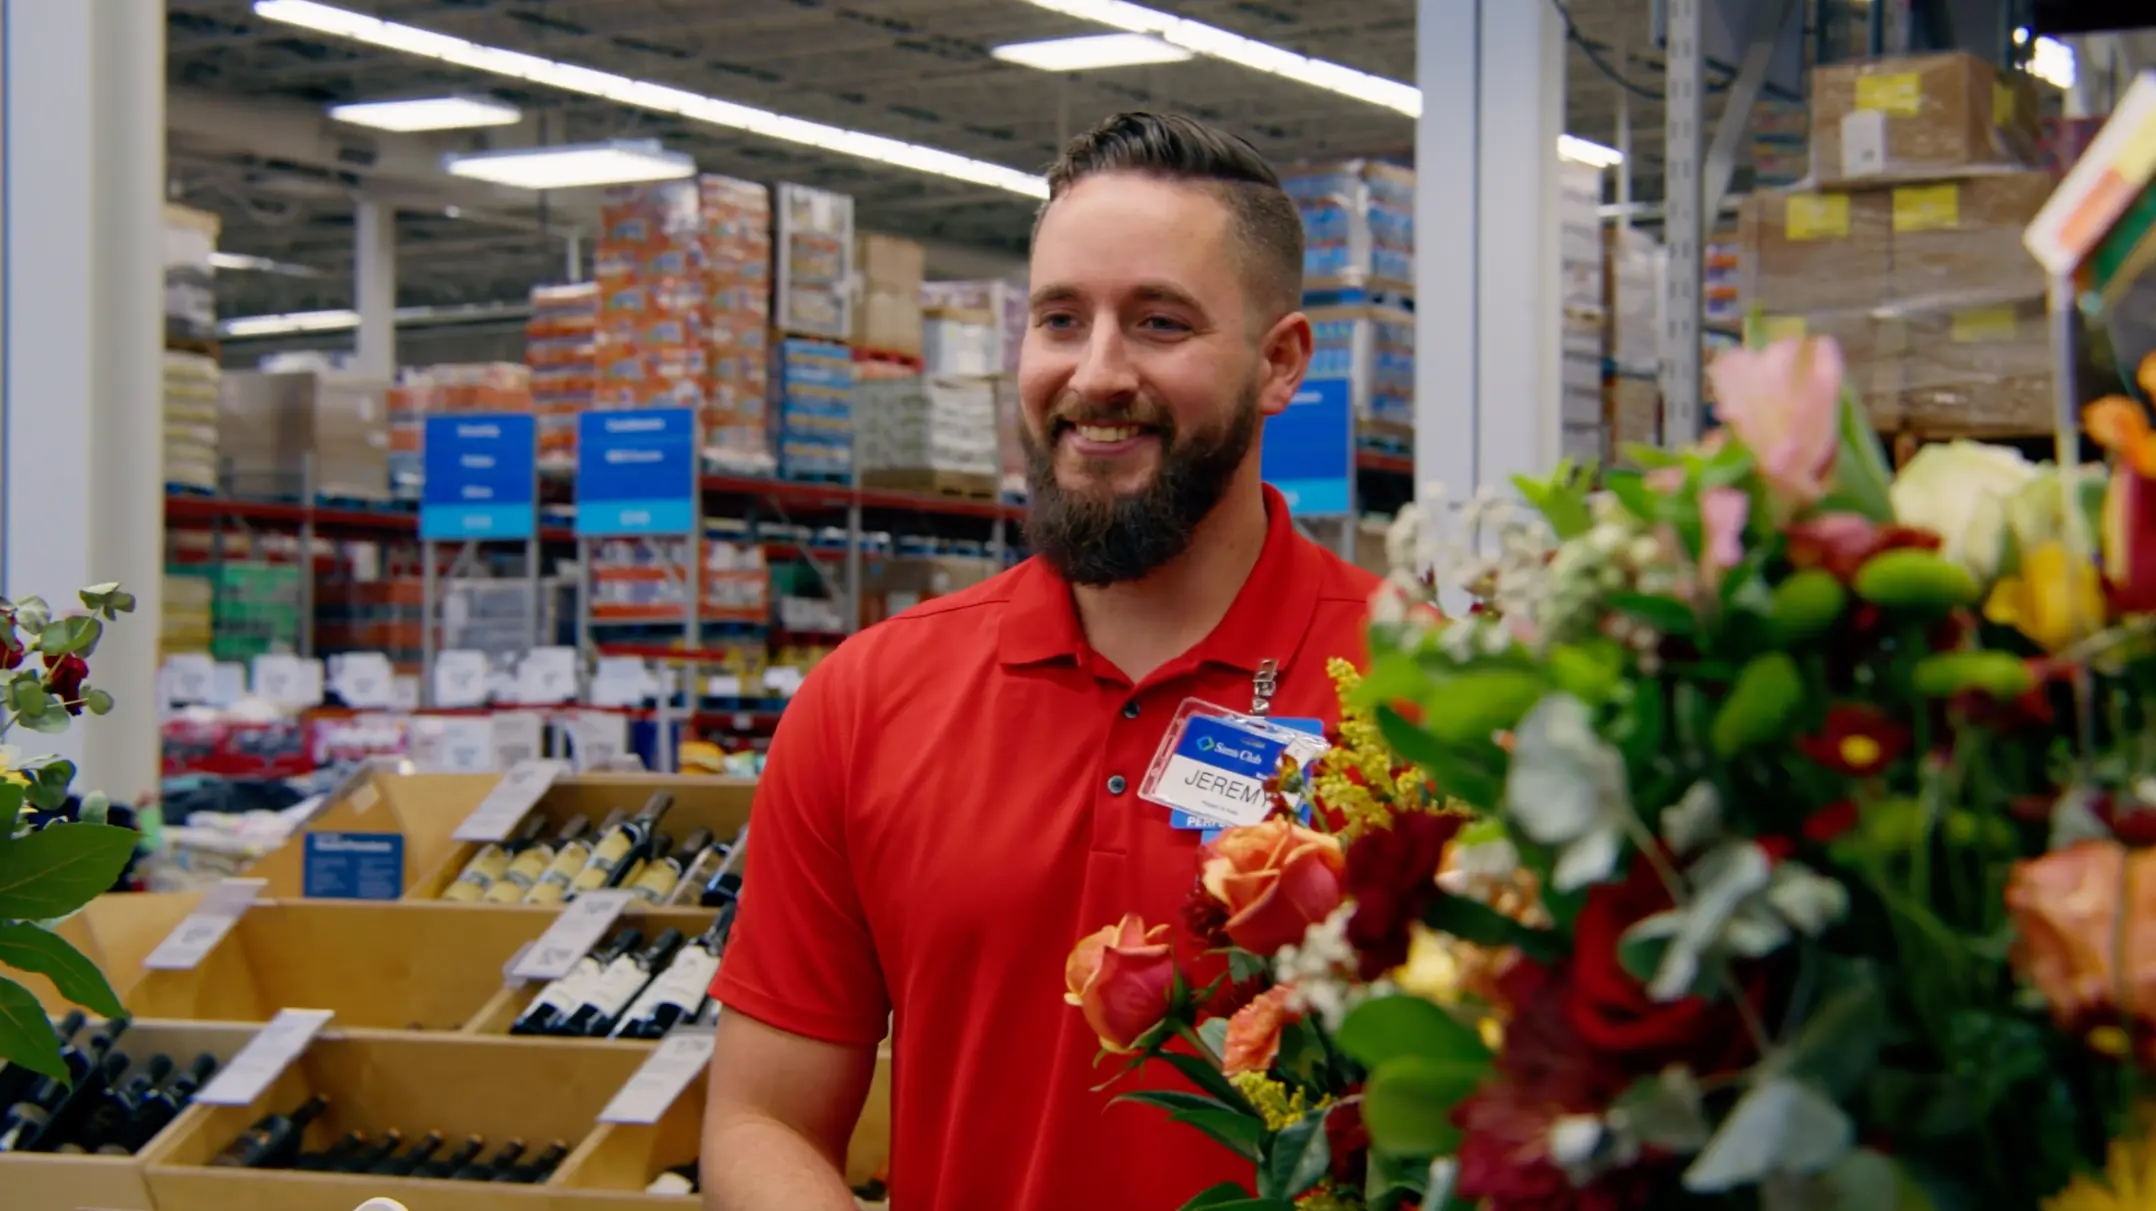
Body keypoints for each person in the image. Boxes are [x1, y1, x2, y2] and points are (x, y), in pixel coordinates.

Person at [699, 111, 1384, 1211]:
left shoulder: (1418, 694)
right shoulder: (865, 701)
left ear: (1278, 363)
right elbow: (760, 1115)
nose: (1096, 372)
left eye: (1159, 322)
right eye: (1061, 318)